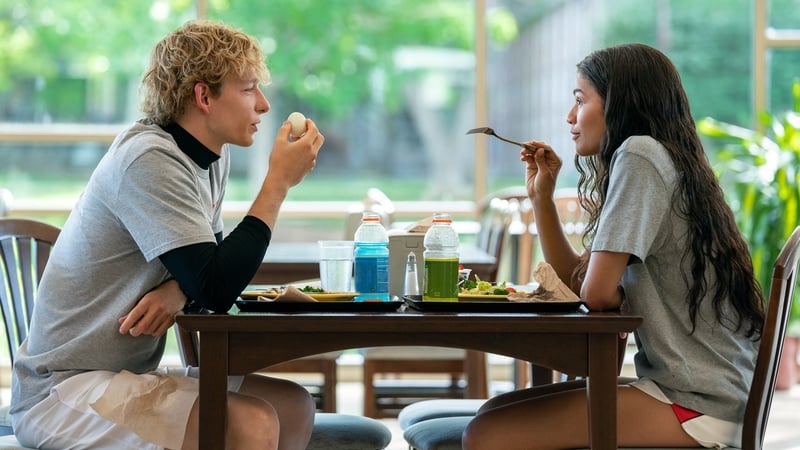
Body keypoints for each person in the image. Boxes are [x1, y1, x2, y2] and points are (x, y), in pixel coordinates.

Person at [10, 20, 324, 450]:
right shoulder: (149, 159)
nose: (264, 105)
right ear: (203, 96)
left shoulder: (211, 157)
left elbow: (207, 268)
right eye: (249, 88)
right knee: (250, 423)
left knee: (293, 405)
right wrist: (277, 185)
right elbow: (215, 287)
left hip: (123, 377)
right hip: (63, 392)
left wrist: (178, 290)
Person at [462, 43, 765, 449]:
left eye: (580, 100)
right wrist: (542, 200)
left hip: (699, 403)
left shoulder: (639, 155)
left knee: (485, 435)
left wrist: (599, 287)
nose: (570, 117)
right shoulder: (659, 157)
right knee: (489, 415)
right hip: (708, 391)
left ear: (619, 103)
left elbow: (598, 294)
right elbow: (580, 284)